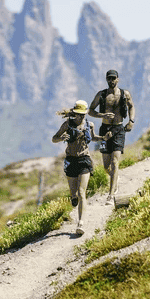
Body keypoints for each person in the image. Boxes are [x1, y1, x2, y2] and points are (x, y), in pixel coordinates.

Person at [52, 99, 111, 236]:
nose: (81, 117)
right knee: (74, 194)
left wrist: (104, 138)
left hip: (84, 160)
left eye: (83, 114)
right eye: (79, 114)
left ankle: (81, 223)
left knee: (81, 192)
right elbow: (54, 138)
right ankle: (73, 198)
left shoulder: (89, 125)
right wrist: (61, 138)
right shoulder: (67, 125)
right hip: (71, 161)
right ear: (75, 114)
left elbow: (93, 138)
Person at [88, 69, 136, 204]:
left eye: (113, 78)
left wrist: (131, 121)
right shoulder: (101, 95)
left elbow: (132, 107)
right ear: (106, 79)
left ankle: (111, 194)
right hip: (104, 130)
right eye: (109, 78)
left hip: (119, 129)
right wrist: (102, 115)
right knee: (106, 167)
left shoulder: (125, 94)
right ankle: (115, 179)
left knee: (115, 162)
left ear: (118, 79)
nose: (111, 80)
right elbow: (90, 110)